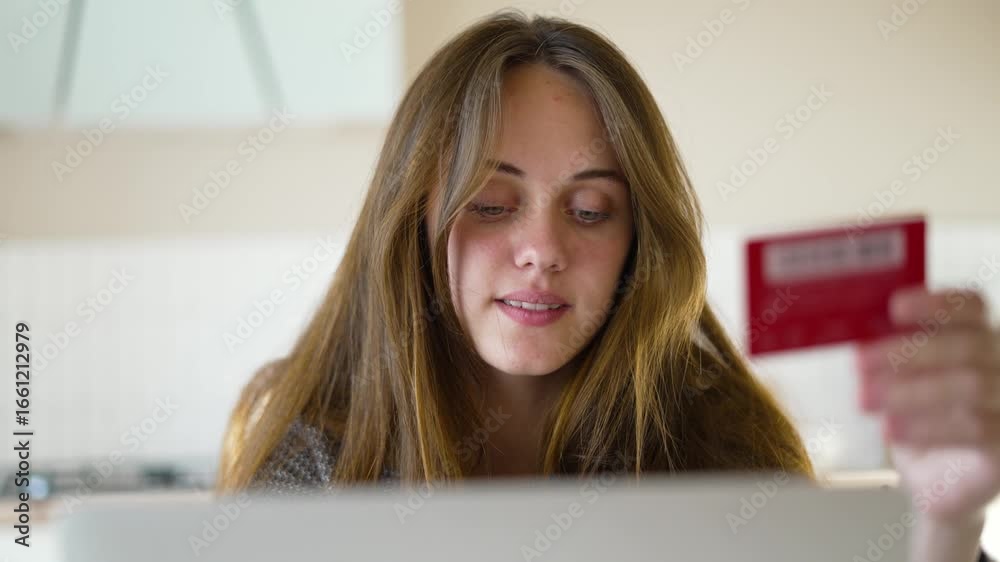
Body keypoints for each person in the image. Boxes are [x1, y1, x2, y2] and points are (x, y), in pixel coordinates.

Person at [215, 11, 998, 561]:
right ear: (413, 221)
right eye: (491, 203)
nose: (543, 251)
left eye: (590, 211)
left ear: (637, 243)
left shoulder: (721, 447)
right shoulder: (316, 460)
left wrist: (949, 524)